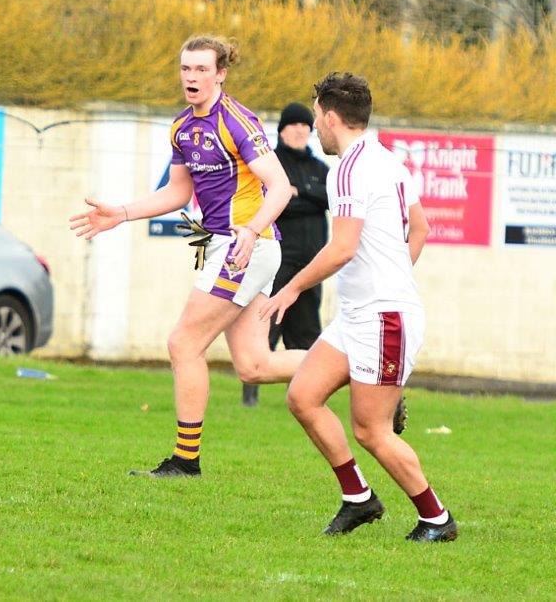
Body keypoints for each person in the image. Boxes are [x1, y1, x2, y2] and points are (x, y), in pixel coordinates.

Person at [69, 35, 306, 477]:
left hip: (245, 248)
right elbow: (179, 192)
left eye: (201, 69)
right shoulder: (181, 127)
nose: (191, 78)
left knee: (183, 343)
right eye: (185, 69)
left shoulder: (237, 121)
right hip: (229, 246)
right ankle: (359, 365)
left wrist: (251, 231)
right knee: (254, 366)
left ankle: (185, 461)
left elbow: (279, 186)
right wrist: (120, 213)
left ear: (220, 74)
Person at [260, 72, 457, 542]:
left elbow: (343, 247)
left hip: (383, 317)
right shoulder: (388, 161)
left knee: (371, 430)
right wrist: (395, 279)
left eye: (315, 118)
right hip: (361, 315)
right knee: (303, 397)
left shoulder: (347, 170)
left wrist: (291, 288)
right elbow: (421, 230)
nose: (314, 128)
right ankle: (359, 499)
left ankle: (436, 519)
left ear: (330, 118)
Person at [242, 102, 328, 407]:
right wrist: (302, 197)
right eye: (295, 125)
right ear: (282, 130)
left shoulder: (319, 167)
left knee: (307, 331)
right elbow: (278, 203)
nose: (301, 130)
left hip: (312, 262)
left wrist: (300, 192)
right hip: (279, 260)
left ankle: (311, 392)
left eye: (306, 126)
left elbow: (328, 197)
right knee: (268, 322)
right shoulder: (273, 163)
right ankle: (250, 391)